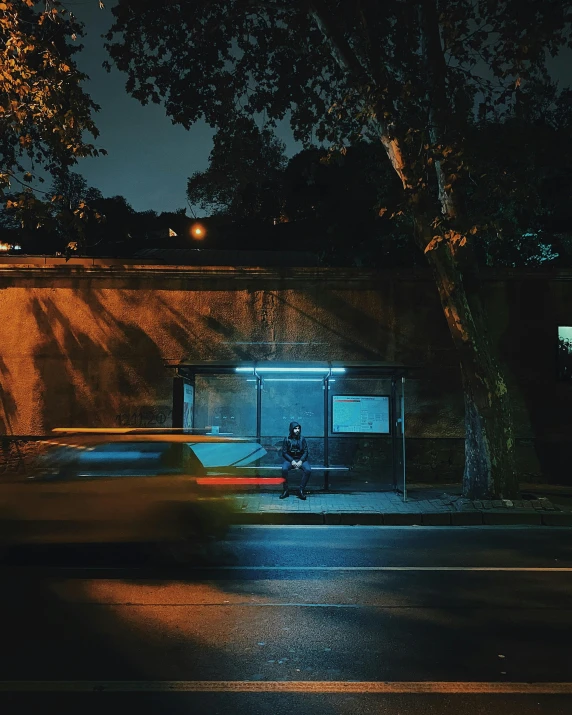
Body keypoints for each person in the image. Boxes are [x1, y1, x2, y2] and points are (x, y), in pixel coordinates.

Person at [280, 421, 311, 500]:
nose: (297, 430)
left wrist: (301, 461)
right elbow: (284, 452)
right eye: (295, 429)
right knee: (284, 469)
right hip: (290, 460)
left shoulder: (302, 439)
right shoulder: (286, 439)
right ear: (291, 429)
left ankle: (300, 490)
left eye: (298, 428)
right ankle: (286, 490)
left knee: (308, 470)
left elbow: (306, 451)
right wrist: (292, 461)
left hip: (301, 459)